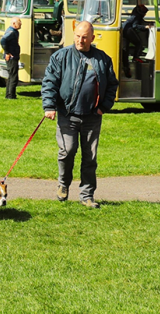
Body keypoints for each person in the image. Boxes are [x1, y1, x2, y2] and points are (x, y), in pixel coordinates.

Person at [40, 20, 118, 209]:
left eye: (84, 37)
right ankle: (63, 184)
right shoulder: (61, 57)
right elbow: (49, 82)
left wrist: (103, 107)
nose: (80, 40)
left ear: (92, 37)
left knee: (90, 157)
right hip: (67, 114)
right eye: (77, 36)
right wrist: (49, 106)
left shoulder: (102, 59)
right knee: (67, 151)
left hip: (92, 116)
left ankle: (87, 195)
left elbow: (112, 85)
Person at [0, 17, 21, 100]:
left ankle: (9, 94)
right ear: (14, 23)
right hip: (12, 57)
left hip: (12, 56)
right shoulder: (11, 32)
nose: (21, 23)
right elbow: (3, 41)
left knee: (11, 75)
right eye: (19, 22)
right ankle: (11, 95)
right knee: (14, 76)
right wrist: (7, 52)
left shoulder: (13, 31)